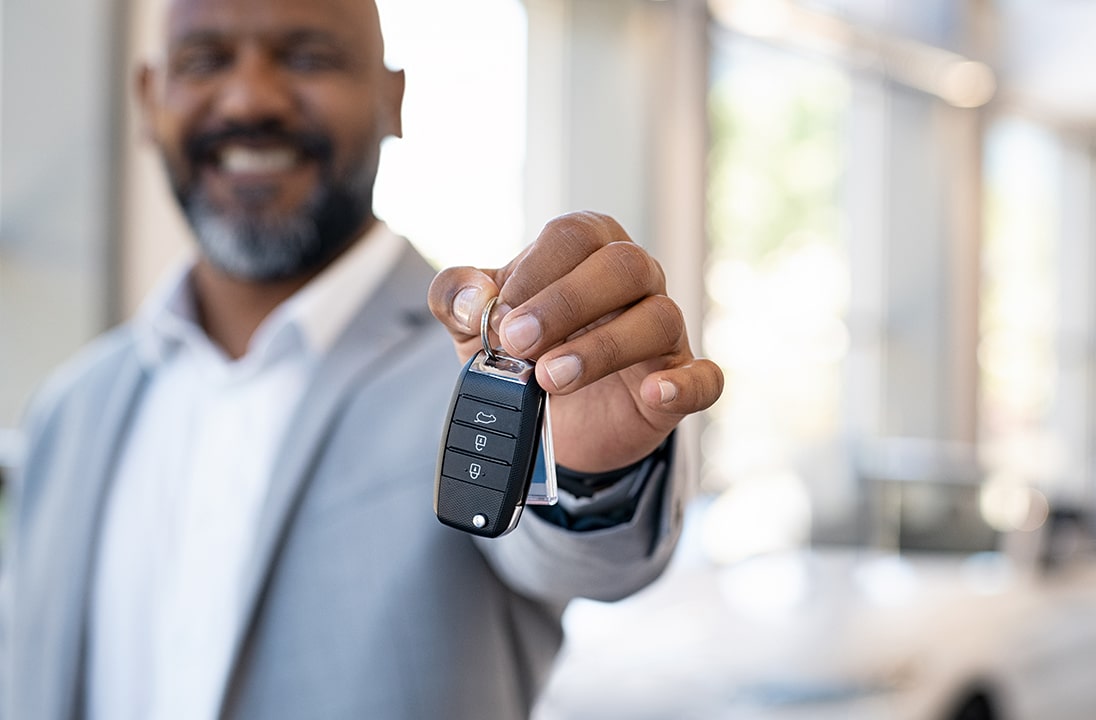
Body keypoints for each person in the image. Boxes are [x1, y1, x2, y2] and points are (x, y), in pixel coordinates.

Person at [0, 0, 723, 718]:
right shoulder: (70, 408)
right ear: (149, 99)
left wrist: (594, 473)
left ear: (392, 99)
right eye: (206, 60)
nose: (251, 97)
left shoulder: (492, 376)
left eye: (308, 57)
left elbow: (585, 562)